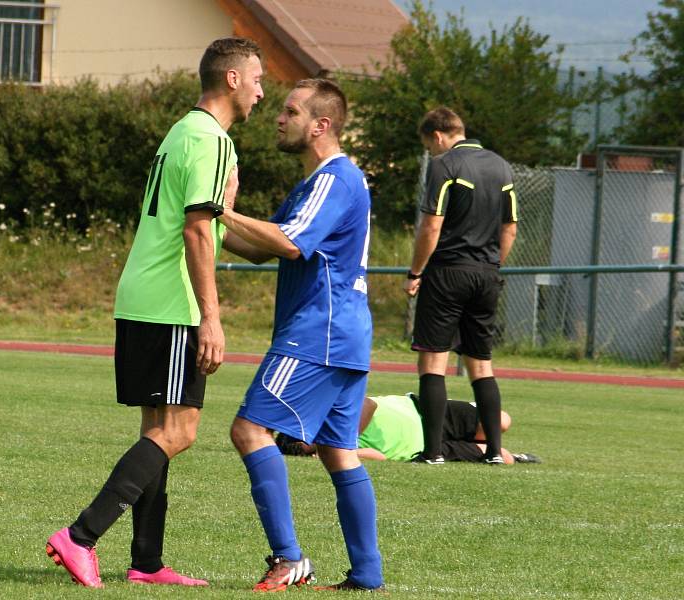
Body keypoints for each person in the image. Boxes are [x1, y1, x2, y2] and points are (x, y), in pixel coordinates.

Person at [44, 37, 264, 588]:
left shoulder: (181, 132)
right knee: (181, 430)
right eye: (258, 79)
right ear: (232, 80)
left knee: (159, 429)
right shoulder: (213, 140)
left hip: (142, 296)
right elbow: (194, 229)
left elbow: (205, 223)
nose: (262, 91)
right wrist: (211, 317)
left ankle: (145, 562)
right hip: (171, 303)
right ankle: (81, 535)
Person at [218, 79, 383, 592]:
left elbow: (289, 244)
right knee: (339, 452)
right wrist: (206, 223)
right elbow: (262, 249)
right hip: (345, 336)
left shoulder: (336, 179)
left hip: (319, 333)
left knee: (249, 431)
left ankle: (289, 559)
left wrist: (222, 209)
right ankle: (367, 574)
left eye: (290, 111)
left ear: (321, 125)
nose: (278, 116)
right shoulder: (314, 183)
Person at [404, 107, 518, 466]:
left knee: (433, 362)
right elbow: (509, 229)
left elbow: (431, 227)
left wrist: (415, 271)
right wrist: (491, 265)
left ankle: (433, 451)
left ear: (438, 136)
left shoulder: (445, 165)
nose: (431, 153)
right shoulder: (502, 166)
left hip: (447, 273)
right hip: (487, 275)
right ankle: (495, 453)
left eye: (429, 146)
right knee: (481, 364)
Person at [276, 394, 541, 465]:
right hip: (424, 448)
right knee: (503, 457)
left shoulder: (335, 416)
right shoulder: (335, 452)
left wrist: (341, 441)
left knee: (501, 420)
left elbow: (367, 404)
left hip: (421, 410)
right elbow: (377, 456)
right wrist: (332, 453)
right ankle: (519, 456)